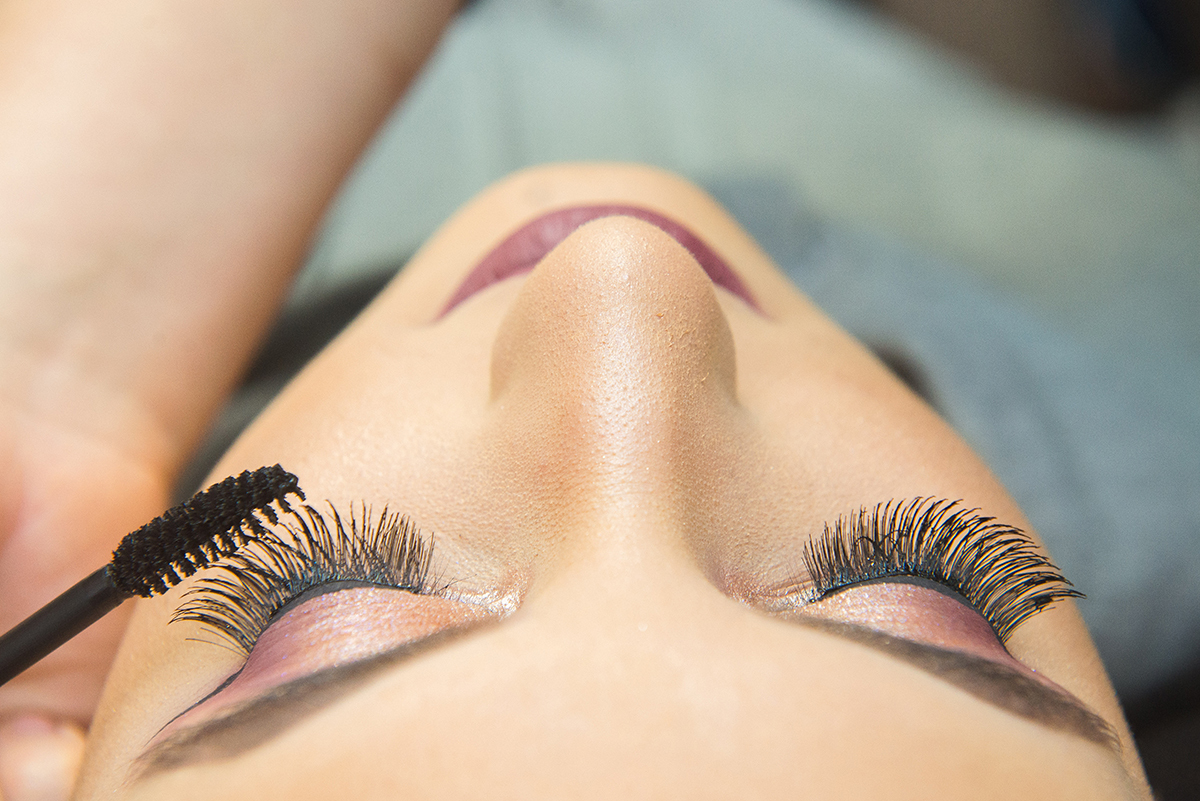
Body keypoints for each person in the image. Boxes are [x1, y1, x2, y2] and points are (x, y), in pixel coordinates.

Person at [0, 2, 1158, 799]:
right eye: (918, 598)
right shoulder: (1152, 404)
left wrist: (53, 363)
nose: (620, 275)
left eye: (335, 613)